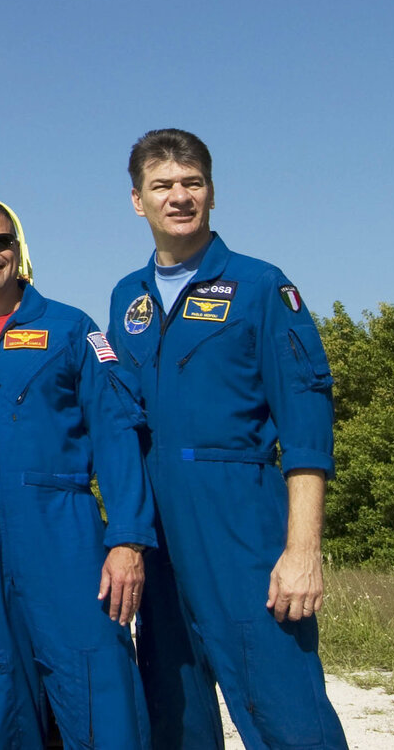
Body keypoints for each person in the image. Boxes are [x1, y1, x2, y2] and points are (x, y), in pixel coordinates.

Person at [106, 130, 345, 750]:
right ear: (138, 200)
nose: (179, 197)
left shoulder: (261, 286)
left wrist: (302, 552)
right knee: (174, 714)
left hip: (240, 519)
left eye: (193, 183)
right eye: (162, 186)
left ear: (213, 194)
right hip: (156, 533)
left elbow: (307, 430)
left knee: (283, 708)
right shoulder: (126, 298)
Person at [0, 197, 155, 750]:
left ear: (17, 250)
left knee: (96, 683)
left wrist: (128, 540)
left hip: (64, 536)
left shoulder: (71, 328)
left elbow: (116, 437)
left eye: (0, 241)